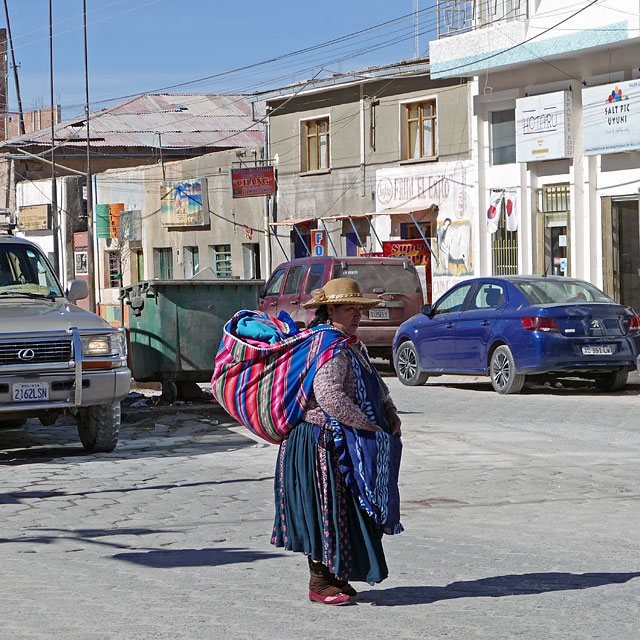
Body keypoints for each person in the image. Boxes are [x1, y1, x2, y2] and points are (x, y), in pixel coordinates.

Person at [271, 277, 403, 606]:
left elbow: (374, 383)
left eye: (360, 308)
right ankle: (320, 582)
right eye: (350, 309)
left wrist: (389, 410)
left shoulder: (351, 344)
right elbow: (330, 396)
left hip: (338, 441)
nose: (358, 314)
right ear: (331, 310)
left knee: (344, 509)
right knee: (323, 511)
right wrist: (368, 425)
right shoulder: (330, 346)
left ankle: (336, 577)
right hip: (317, 442)